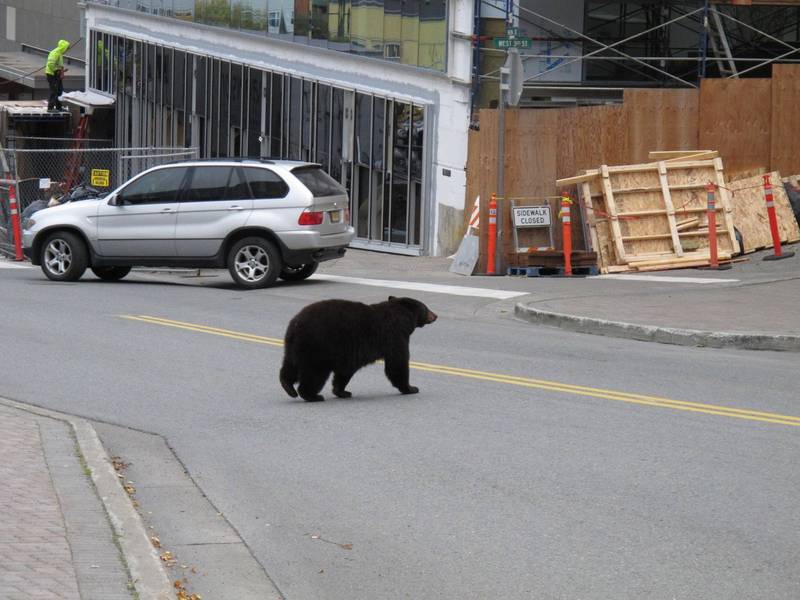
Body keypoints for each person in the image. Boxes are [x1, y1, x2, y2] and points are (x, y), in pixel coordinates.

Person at [45, 39, 70, 111]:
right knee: (54, 91)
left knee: (59, 91)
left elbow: (58, 65)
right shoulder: (55, 53)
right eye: (66, 48)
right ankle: (50, 108)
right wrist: (57, 71)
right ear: (63, 47)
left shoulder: (59, 53)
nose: (67, 50)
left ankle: (59, 107)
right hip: (52, 74)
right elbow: (50, 64)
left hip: (56, 74)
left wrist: (61, 71)